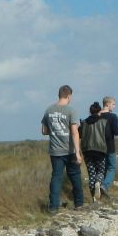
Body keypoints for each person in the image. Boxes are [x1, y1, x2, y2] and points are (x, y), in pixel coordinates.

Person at [41, 84, 84, 213]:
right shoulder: (71, 111)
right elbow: (75, 132)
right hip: (69, 150)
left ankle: (53, 207)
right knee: (75, 176)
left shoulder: (48, 110)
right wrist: (78, 152)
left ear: (59, 94)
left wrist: (55, 131)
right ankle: (79, 203)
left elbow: (44, 131)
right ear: (69, 96)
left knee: (56, 177)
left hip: (55, 151)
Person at [79, 102, 109, 200]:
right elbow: (107, 136)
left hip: (87, 150)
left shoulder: (83, 122)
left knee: (91, 173)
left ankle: (94, 197)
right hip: (100, 150)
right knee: (101, 171)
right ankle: (98, 182)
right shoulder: (104, 122)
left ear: (90, 111)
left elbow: (79, 135)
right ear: (99, 111)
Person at [100, 96, 118, 196]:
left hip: (98, 146)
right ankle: (104, 185)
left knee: (103, 168)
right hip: (109, 145)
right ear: (108, 104)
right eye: (113, 104)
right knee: (112, 167)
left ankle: (100, 190)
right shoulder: (113, 116)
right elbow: (117, 132)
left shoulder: (97, 115)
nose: (114, 106)